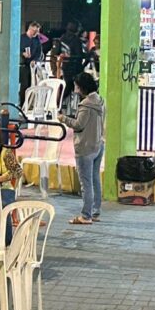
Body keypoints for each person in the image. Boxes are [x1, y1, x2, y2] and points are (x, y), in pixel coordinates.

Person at [58, 71, 106, 225]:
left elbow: (79, 125)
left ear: (82, 87)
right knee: (95, 180)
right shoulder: (100, 101)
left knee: (86, 183)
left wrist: (64, 118)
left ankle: (86, 215)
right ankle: (95, 211)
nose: (75, 89)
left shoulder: (86, 105)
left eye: (77, 87)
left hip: (85, 147)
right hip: (98, 144)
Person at [18, 21, 44, 103]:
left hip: (32, 65)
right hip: (22, 64)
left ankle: (27, 102)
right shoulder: (21, 38)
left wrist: (35, 60)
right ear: (30, 29)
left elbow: (39, 53)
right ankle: (22, 103)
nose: (36, 33)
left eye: (37, 31)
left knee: (30, 85)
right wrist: (22, 53)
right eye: (35, 31)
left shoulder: (36, 40)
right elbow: (16, 49)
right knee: (24, 85)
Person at [59, 20, 86, 95]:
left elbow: (58, 52)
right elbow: (79, 54)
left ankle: (61, 99)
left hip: (65, 66)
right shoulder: (76, 40)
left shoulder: (62, 38)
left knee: (68, 85)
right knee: (78, 87)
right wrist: (88, 55)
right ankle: (61, 99)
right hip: (75, 67)